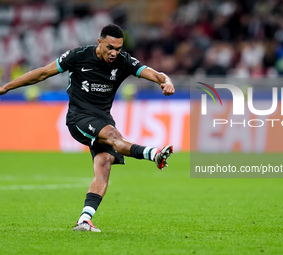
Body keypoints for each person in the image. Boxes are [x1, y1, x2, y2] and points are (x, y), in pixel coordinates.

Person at [0, 24, 175, 232]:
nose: (114, 53)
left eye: (118, 48)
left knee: (104, 165)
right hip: (79, 118)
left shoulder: (124, 61)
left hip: (103, 118)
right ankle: (153, 154)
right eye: (110, 47)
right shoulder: (78, 56)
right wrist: (5, 87)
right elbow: (42, 73)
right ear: (99, 42)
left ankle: (84, 220)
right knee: (113, 136)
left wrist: (167, 81)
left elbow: (157, 75)